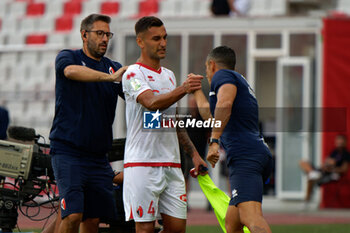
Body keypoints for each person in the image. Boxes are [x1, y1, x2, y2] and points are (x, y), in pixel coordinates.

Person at [122, 16, 207, 233]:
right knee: (145, 229)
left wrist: (195, 155)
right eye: (156, 38)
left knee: (177, 229)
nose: (163, 43)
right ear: (140, 42)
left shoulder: (169, 76)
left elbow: (174, 122)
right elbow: (151, 103)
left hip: (172, 165)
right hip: (142, 165)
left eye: (165, 38)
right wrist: (183, 89)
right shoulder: (133, 73)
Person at [49, 14, 127, 233]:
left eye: (107, 34)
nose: (105, 39)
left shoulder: (114, 67)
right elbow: (71, 72)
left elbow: (136, 98)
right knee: (73, 215)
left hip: (98, 158)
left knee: (92, 221)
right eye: (99, 33)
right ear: (84, 34)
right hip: (68, 152)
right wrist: (109, 78)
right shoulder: (69, 57)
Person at [191, 45, 273, 233]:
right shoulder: (235, 81)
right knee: (232, 223)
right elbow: (213, 117)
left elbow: (225, 105)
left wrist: (214, 142)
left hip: (245, 156)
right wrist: (196, 91)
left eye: (206, 70)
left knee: (251, 217)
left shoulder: (222, 76)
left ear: (212, 65)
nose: (208, 75)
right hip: (254, 153)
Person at [299, 134, 350, 202]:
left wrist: (332, 168)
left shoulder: (346, 154)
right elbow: (326, 162)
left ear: (345, 142)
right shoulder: (334, 152)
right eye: (338, 141)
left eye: (341, 141)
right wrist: (326, 164)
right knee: (302, 162)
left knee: (311, 179)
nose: (339, 142)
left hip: (333, 174)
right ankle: (313, 173)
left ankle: (307, 199)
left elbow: (344, 170)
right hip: (324, 170)